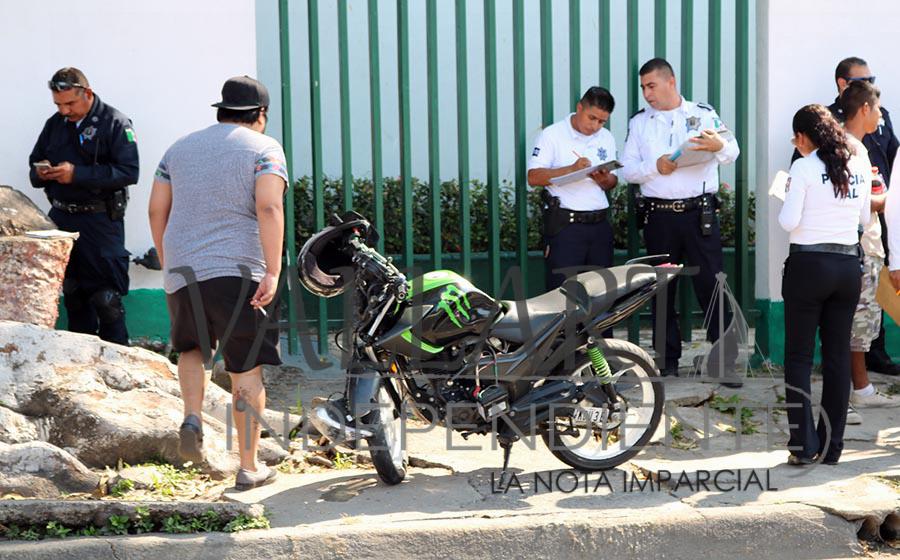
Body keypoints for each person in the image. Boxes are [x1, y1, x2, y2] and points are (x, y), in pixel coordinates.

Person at [148, 76, 287, 490]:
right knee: (246, 368)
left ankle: (192, 415)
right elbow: (268, 205)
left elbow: (157, 210)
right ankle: (248, 467)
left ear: (220, 110)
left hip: (182, 269)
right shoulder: (264, 148)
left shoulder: (178, 148)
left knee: (192, 348)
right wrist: (274, 270)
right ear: (260, 115)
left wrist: (170, 259)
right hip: (237, 270)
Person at [621, 58, 740, 381]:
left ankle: (724, 360)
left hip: (699, 213)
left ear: (670, 82)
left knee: (712, 286)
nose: (647, 93)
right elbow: (627, 169)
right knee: (660, 290)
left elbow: (733, 152)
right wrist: (653, 167)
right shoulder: (640, 123)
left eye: (652, 86)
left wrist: (719, 145)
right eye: (643, 87)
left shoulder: (702, 113)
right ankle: (667, 360)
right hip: (659, 215)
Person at [794, 57, 900, 376]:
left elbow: (891, 156)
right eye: (863, 79)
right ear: (844, 84)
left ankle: (867, 370)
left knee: (867, 312)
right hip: (846, 237)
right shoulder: (828, 127)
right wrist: (886, 200)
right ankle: (849, 384)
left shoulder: (881, 123)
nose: (870, 83)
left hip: (871, 228)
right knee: (848, 318)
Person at [778, 104, 871, 466]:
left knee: (799, 357)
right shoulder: (859, 165)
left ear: (803, 137)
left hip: (808, 266)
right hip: (848, 266)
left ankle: (803, 446)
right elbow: (864, 217)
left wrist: (788, 189)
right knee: (836, 359)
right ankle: (832, 448)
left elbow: (789, 222)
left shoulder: (802, 167)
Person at [28, 67, 139, 345]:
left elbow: (129, 171)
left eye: (70, 104)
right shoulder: (55, 124)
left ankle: (118, 363)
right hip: (62, 219)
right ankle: (80, 367)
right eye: (58, 104)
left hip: (100, 221)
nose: (64, 111)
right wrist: (41, 173)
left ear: (86, 94)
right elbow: (34, 164)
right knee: (73, 293)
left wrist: (77, 174)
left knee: (106, 298)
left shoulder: (115, 122)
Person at [840, 81, 899, 416]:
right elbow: (862, 205)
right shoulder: (850, 149)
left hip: (866, 247)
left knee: (863, 324)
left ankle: (861, 388)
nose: (880, 116)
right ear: (864, 109)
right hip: (858, 247)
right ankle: (846, 393)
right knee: (852, 322)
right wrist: (888, 198)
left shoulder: (857, 148)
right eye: (877, 108)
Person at [528, 86, 619, 293]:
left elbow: (613, 182)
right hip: (566, 227)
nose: (595, 126)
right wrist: (571, 169)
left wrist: (604, 179)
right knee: (563, 296)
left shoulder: (606, 137)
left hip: (599, 225)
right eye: (592, 118)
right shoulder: (552, 135)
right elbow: (533, 177)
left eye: (602, 121)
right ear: (579, 107)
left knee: (602, 297)